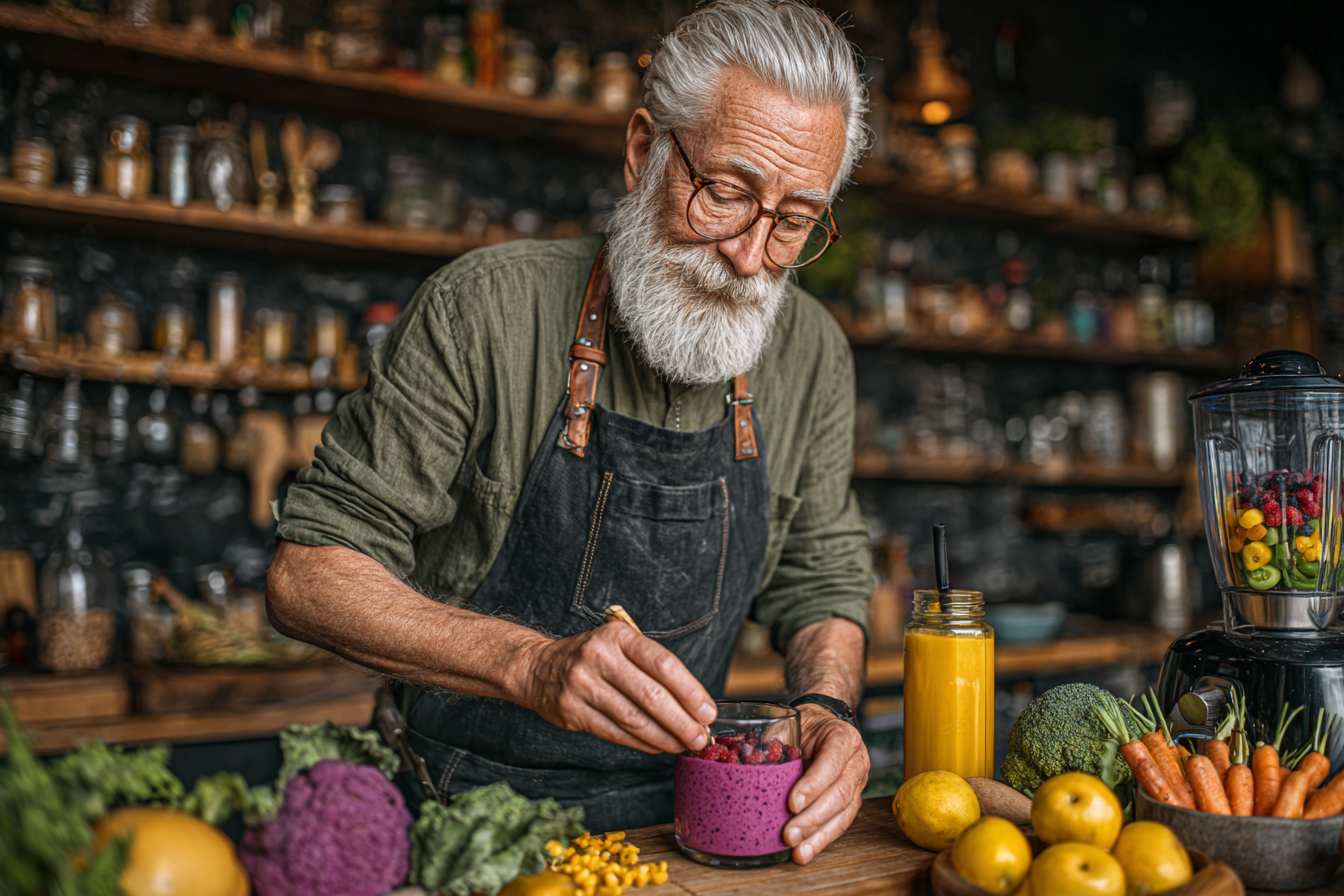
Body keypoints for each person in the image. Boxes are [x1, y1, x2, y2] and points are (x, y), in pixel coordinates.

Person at [267, 0, 876, 864]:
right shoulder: (483, 308)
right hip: (463, 809)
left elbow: (822, 579)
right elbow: (307, 575)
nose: (750, 257)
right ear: (643, 151)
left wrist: (828, 710)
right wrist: (528, 665)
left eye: (793, 221)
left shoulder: (812, 351)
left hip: (691, 827)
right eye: (727, 194)